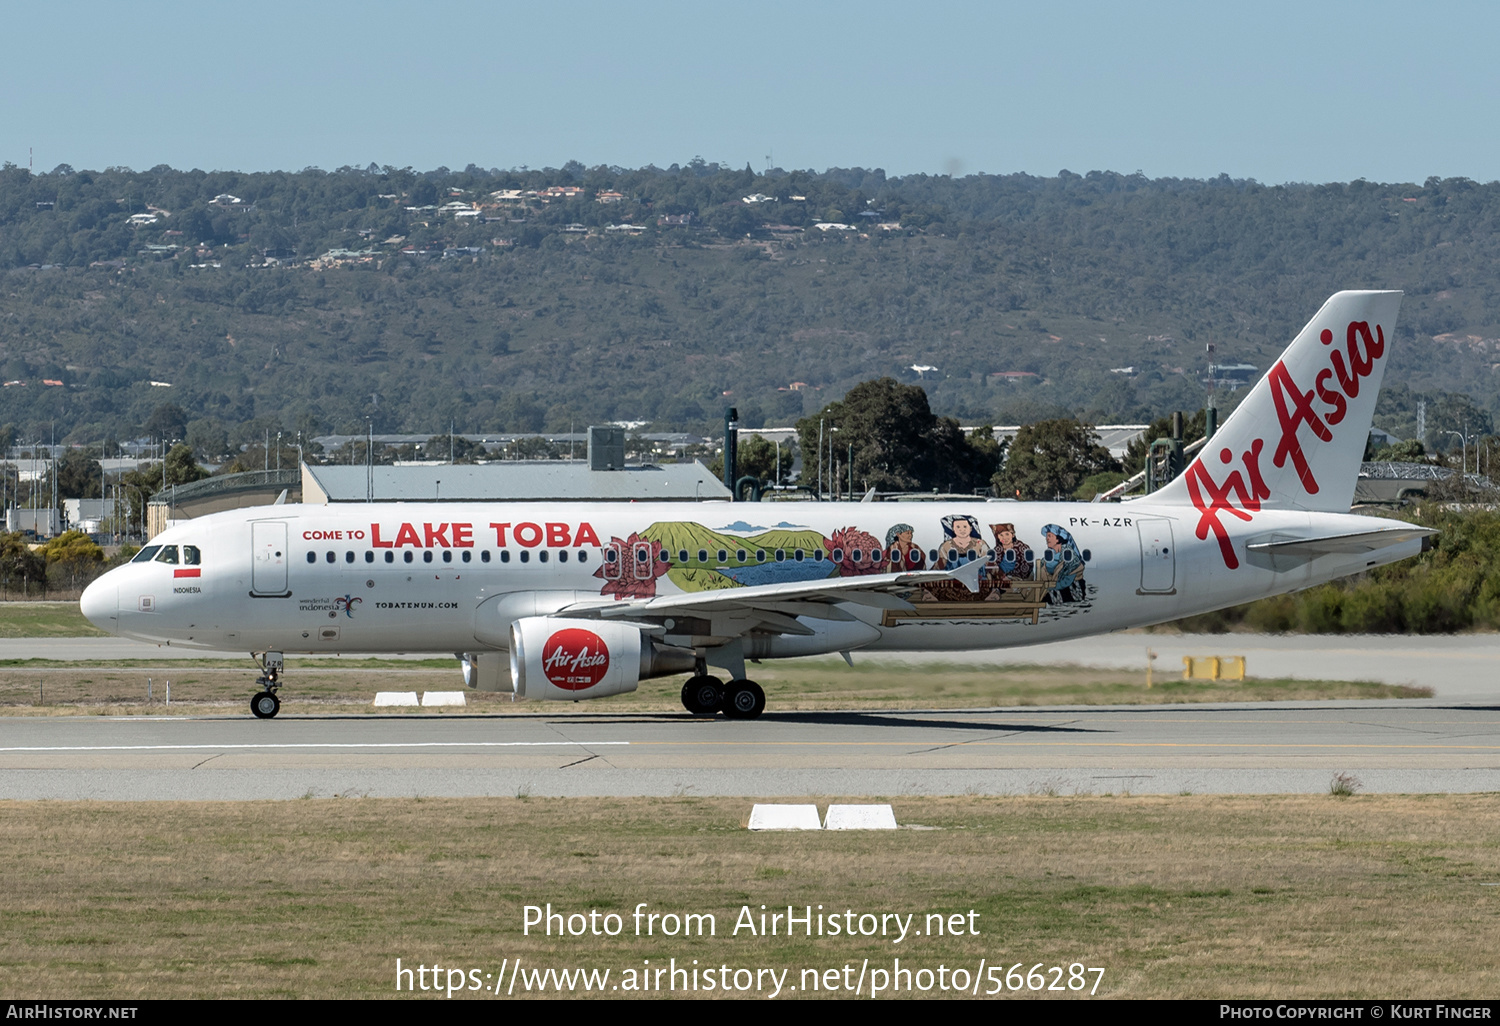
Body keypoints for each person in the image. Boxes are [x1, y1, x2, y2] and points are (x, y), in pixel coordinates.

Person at [1039, 523, 1087, 603]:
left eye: (1050, 536)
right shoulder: (1048, 558)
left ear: (1058, 539)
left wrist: (1049, 587)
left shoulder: (1069, 555)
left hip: (1072, 591)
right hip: (1054, 589)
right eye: (1047, 536)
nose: (1047, 539)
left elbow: (1067, 581)